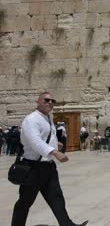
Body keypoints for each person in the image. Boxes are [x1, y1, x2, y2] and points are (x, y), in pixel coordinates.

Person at [12, 92, 88, 226]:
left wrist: (55, 144)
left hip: (48, 166)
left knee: (56, 197)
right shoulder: (31, 119)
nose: (50, 103)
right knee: (25, 202)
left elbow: (46, 137)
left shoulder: (47, 118)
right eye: (46, 100)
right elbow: (35, 142)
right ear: (38, 102)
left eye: (52, 100)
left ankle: (67, 224)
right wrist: (55, 152)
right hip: (33, 167)